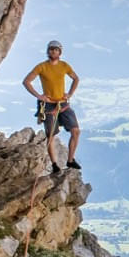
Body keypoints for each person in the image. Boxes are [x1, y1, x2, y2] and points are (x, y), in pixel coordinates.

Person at [22, 39, 81, 174]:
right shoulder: (41, 67)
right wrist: (39, 96)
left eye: (56, 50)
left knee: (76, 131)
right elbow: (26, 82)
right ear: (48, 51)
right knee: (51, 137)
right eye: (51, 49)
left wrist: (70, 94)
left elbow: (76, 78)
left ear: (60, 52)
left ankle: (70, 160)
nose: (53, 52)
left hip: (62, 103)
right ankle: (54, 164)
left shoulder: (64, 66)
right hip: (48, 106)